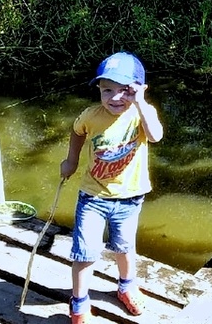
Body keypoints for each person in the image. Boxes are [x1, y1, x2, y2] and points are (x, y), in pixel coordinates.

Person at [61, 51, 164, 322]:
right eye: (107, 90)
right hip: (92, 196)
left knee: (125, 246)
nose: (116, 98)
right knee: (85, 251)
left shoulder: (141, 114)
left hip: (130, 198)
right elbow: (76, 132)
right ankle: (79, 303)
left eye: (125, 91)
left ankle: (126, 286)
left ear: (140, 90)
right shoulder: (91, 115)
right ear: (98, 89)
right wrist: (71, 161)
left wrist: (139, 103)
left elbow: (155, 136)